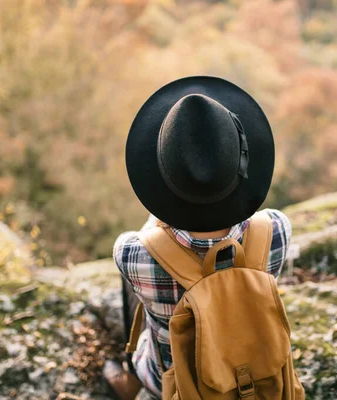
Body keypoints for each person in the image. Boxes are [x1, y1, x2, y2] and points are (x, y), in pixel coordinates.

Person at [104, 76, 292, 400]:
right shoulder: (277, 229)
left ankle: (132, 381)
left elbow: (153, 233)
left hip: (174, 383)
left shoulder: (131, 252)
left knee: (136, 296)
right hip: (261, 373)